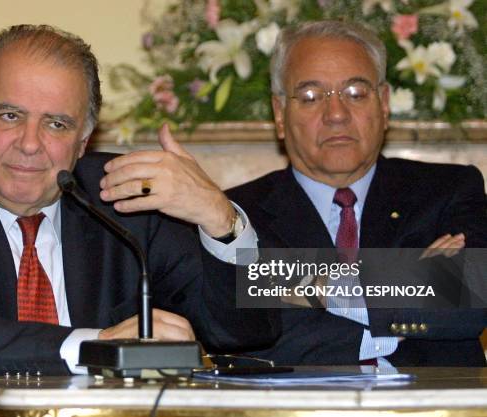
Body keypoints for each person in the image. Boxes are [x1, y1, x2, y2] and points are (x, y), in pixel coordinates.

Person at [0, 24, 277, 377]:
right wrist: (94, 347)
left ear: (84, 140)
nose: (30, 144)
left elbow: (250, 330)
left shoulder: (124, 201)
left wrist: (221, 220)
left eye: (56, 124)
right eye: (10, 116)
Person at [101, 21, 486, 366]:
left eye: (355, 92)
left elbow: (472, 304)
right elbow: (243, 341)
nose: (336, 113)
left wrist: (307, 284)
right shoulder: (231, 217)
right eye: (311, 95)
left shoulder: (450, 189)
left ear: (384, 104)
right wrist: (412, 289)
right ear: (279, 114)